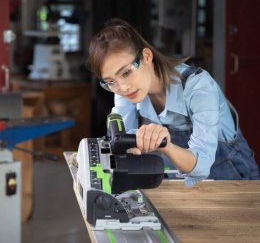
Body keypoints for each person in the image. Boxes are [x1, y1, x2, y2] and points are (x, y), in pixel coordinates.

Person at [88, 18, 259, 187]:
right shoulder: (126, 90)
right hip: (177, 178)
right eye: (110, 81)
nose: (122, 87)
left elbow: (201, 165)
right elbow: (123, 140)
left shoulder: (199, 87)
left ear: (146, 56)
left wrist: (166, 146)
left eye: (126, 72)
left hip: (230, 177)